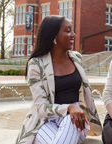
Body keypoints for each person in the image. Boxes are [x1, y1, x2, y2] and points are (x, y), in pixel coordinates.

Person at [16, 15, 102, 144]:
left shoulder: (76, 58)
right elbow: (41, 107)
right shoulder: (36, 64)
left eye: (72, 30)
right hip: (45, 121)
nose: (73, 34)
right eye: (68, 31)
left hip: (75, 117)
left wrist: (72, 109)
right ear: (54, 36)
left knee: (70, 121)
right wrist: (69, 107)